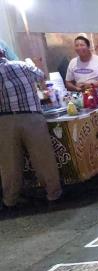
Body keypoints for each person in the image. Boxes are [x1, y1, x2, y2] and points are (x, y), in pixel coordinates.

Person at [0, 46, 62, 209]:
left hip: (5, 121)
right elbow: (42, 76)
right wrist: (33, 63)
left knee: (10, 163)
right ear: (4, 53)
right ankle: (53, 194)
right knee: (43, 159)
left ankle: (10, 200)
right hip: (32, 117)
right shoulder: (22, 65)